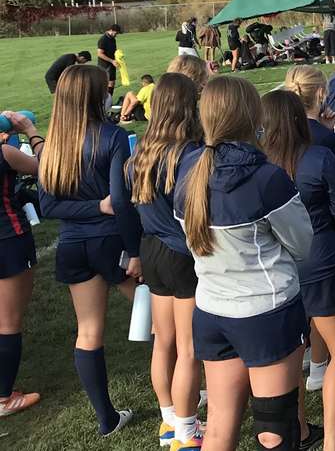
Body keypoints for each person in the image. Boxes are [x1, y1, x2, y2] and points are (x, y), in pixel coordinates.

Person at [175, 75, 314, 451]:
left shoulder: (187, 170)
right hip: (263, 313)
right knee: (274, 431)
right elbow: (303, 245)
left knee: (220, 426)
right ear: (252, 116)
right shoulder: (266, 177)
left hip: (212, 309)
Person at [38, 64, 140, 436]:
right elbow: (122, 202)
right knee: (162, 322)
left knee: (88, 331)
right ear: (96, 96)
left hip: (72, 246)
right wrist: (134, 249)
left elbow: (48, 207)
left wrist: (92, 209)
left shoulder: (52, 144)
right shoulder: (113, 136)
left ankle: (106, 419)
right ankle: (187, 400)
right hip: (111, 241)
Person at [261, 90, 335, 451]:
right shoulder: (318, 157)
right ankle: (332, 443)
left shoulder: (261, 165)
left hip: (277, 267)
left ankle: (301, 430)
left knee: (293, 353)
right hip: (319, 260)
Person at [124, 73, 205, 449]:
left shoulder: (141, 148)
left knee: (164, 342)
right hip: (179, 253)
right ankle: (187, 435)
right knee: (189, 347)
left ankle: (169, 419)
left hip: (151, 250)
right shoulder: (188, 153)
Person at [285, 64, 335, 301]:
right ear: (321, 93)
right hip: (323, 235)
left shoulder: (278, 132)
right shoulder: (324, 140)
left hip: (287, 232)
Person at [0, 109, 43, 417]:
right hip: (9, 240)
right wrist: (28, 129)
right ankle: (3, 398)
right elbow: (46, 169)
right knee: (9, 322)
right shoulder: (6, 153)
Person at [96, 23, 121, 94]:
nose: (117, 35)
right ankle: (102, 101)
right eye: (116, 33)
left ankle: (109, 101)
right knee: (104, 84)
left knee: (112, 83)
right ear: (111, 30)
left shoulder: (113, 39)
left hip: (112, 64)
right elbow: (100, 54)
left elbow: (114, 51)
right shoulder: (103, 39)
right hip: (104, 65)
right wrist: (112, 61)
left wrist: (119, 58)